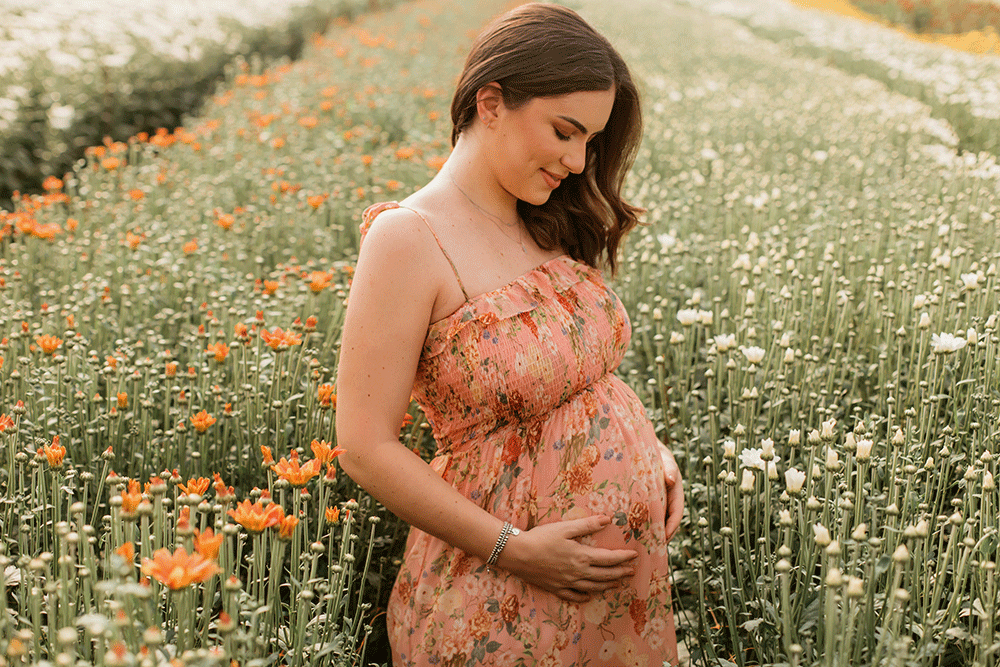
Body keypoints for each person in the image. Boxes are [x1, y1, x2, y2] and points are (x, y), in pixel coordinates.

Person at [336, 3, 684, 665]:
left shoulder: (545, 220)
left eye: (591, 141)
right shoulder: (409, 238)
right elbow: (363, 444)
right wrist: (514, 548)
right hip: (501, 595)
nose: (579, 162)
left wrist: (652, 453)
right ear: (491, 100)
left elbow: (582, 378)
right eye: (565, 131)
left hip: (613, 605)